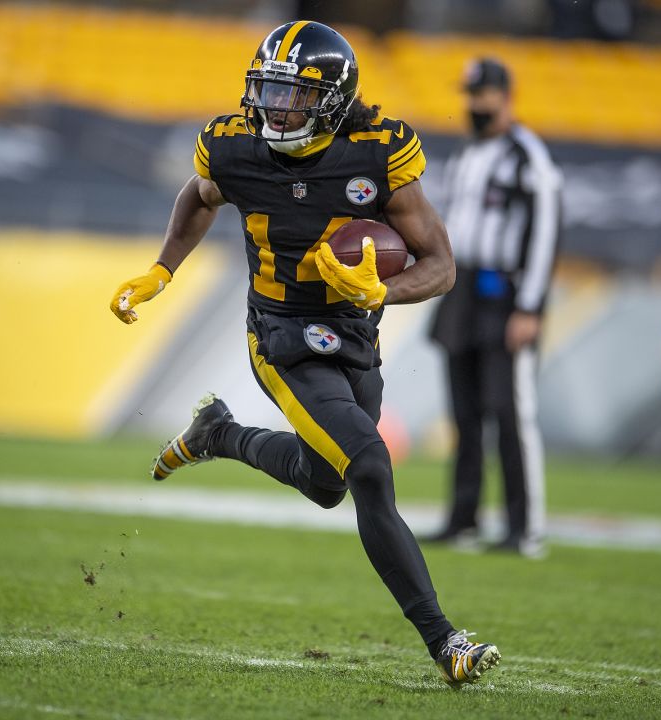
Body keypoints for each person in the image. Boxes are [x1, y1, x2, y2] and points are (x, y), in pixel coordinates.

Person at [108, 21, 500, 686]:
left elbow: (440, 265)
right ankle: (445, 641)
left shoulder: (378, 152)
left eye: (293, 94)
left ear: (334, 99)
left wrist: (381, 290)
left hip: (353, 333)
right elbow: (199, 198)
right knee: (370, 468)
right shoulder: (233, 148)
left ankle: (219, 434)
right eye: (268, 90)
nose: (274, 108)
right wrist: (162, 269)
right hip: (282, 334)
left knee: (328, 485)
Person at [427, 58, 562, 557]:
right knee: (464, 413)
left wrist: (530, 305)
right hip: (462, 291)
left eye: (480, 94)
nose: (472, 105)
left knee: (510, 413)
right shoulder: (468, 155)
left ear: (505, 95)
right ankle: (463, 518)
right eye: (468, 94)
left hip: (505, 295)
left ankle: (523, 528)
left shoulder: (527, 156)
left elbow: (547, 229)